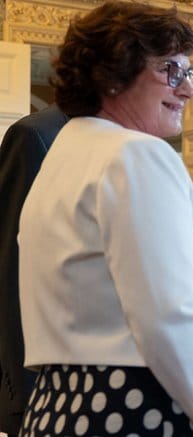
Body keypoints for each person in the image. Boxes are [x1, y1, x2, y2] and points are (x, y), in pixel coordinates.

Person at [17, 0, 193, 436]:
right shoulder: (136, 154)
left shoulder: (63, 156)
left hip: (58, 405)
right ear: (114, 74)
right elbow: (169, 315)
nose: (187, 90)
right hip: (135, 406)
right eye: (170, 71)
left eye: (188, 72)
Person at [0, 106, 68, 434]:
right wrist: (22, 391)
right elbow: (11, 267)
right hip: (45, 385)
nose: (184, 88)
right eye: (167, 70)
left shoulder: (140, 143)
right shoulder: (38, 136)